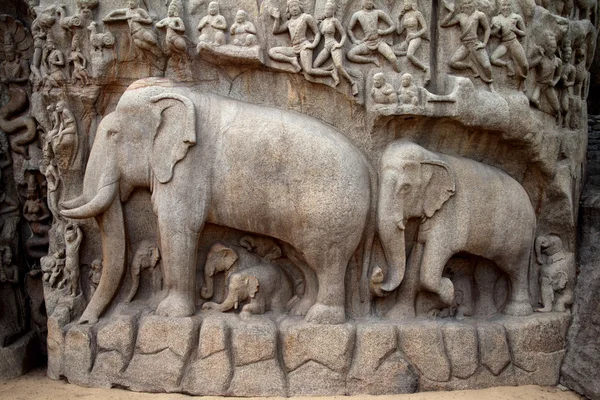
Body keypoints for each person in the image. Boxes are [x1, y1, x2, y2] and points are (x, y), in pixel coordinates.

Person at [269, 0, 334, 80]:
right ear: (288, 10)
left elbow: (317, 33)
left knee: (308, 70)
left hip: (304, 46)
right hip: (294, 48)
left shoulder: (306, 17)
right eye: (291, 7)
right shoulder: (289, 23)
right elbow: (276, 30)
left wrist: (312, 45)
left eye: (295, 6)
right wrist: (277, 19)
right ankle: (292, 60)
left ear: (300, 6)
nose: (294, 8)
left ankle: (331, 73)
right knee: (272, 52)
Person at [441, 0, 494, 91]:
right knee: (452, 62)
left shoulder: (479, 15)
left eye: (469, 3)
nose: (468, 5)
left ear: (474, 4)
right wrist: (451, 12)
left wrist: (484, 43)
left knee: (486, 66)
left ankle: (490, 83)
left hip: (475, 44)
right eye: (465, 3)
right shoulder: (460, 16)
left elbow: (487, 29)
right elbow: (443, 24)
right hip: (465, 45)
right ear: (462, 5)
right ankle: (470, 65)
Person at [313, 0, 358, 94]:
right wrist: (318, 23)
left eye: (329, 9)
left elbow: (343, 34)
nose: (327, 11)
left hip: (334, 45)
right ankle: (331, 71)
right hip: (326, 47)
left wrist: (340, 44)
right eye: (325, 9)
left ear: (333, 11)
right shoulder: (323, 22)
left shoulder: (335, 21)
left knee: (339, 66)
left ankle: (353, 83)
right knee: (315, 66)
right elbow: (318, 35)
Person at [347, 0, 399, 72]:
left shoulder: (378, 12)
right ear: (363, 2)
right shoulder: (357, 15)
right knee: (350, 55)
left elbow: (393, 26)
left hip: (379, 42)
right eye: (367, 1)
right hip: (367, 44)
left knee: (393, 59)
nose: (369, 2)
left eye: (371, 1)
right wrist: (354, 40)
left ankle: (398, 73)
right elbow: (349, 29)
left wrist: (383, 32)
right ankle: (372, 60)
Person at [490, 0, 528, 90]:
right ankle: (507, 64)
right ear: (500, 6)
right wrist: (496, 29)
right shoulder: (496, 19)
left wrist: (515, 30)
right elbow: (492, 34)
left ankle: (523, 80)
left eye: (508, 5)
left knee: (525, 65)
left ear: (511, 6)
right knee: (493, 58)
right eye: (504, 5)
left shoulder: (516, 17)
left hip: (514, 42)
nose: (506, 7)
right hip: (504, 43)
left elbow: (524, 33)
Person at [528, 33, 562, 121]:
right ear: (546, 47)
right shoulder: (541, 59)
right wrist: (540, 56)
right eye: (550, 47)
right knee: (533, 100)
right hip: (540, 84)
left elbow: (558, 75)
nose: (552, 49)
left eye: (554, 47)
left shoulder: (558, 61)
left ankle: (556, 116)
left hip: (549, 86)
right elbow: (529, 65)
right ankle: (542, 110)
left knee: (557, 108)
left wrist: (554, 82)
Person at [396, 0, 429, 77]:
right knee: (392, 51)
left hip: (415, 38)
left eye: (408, 2)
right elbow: (399, 31)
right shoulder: (405, 15)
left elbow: (424, 28)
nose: (406, 4)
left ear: (412, 3)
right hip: (407, 40)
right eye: (404, 2)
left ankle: (425, 68)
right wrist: (399, 18)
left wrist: (415, 35)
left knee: (410, 55)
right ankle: (404, 52)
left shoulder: (417, 13)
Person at [156, 0, 188, 65]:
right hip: (168, 38)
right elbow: (157, 24)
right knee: (173, 51)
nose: (169, 11)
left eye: (171, 9)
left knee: (181, 49)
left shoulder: (177, 19)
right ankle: (178, 59)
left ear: (175, 11)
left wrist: (174, 27)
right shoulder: (166, 19)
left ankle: (185, 58)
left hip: (175, 37)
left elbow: (183, 28)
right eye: (169, 9)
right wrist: (163, 25)